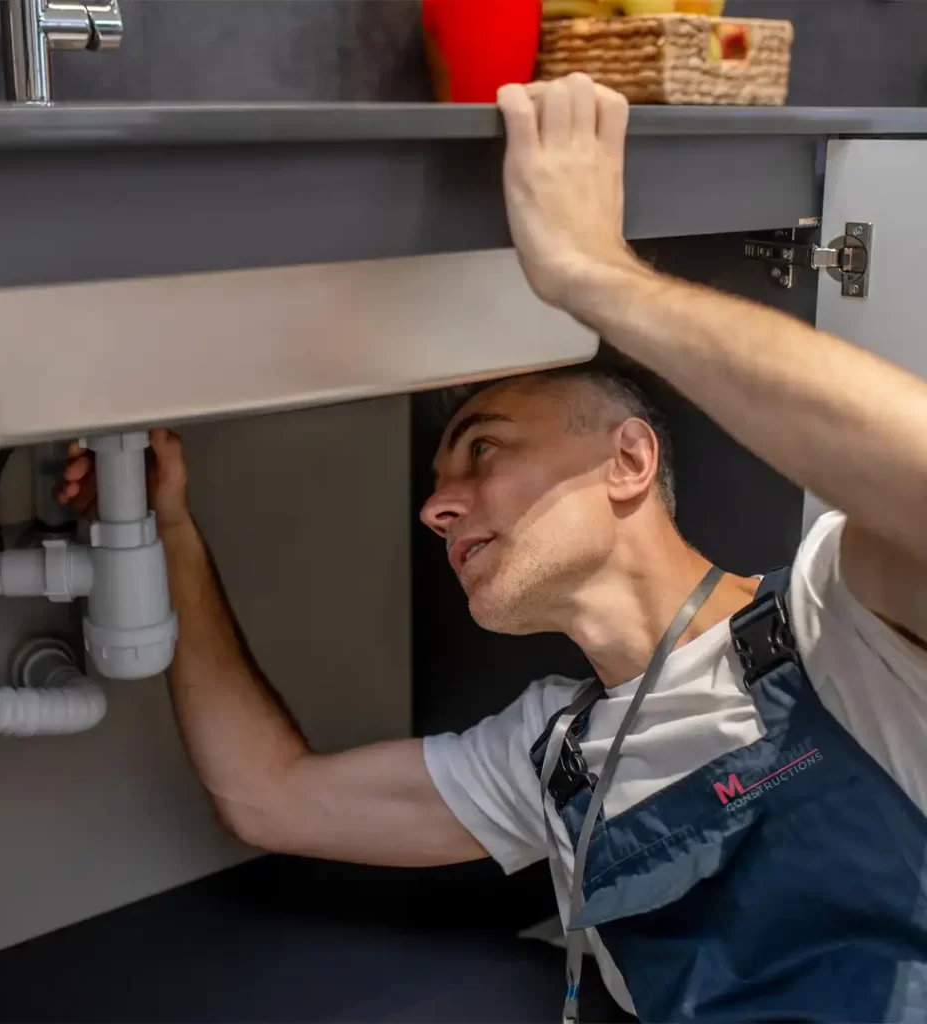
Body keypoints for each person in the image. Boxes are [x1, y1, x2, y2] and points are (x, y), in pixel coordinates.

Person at [60, 74, 927, 1022]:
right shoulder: (547, 759)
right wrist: (171, 529)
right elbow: (269, 797)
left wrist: (594, 274)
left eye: (483, 449)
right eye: (437, 481)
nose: (437, 506)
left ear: (628, 460)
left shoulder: (841, 624)